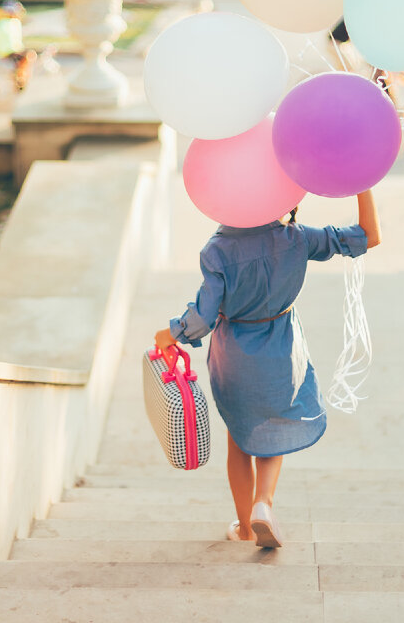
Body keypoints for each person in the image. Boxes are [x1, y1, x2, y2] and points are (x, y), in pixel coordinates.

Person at [154, 190, 382, 548]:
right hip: (281, 348)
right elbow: (369, 236)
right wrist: (362, 186)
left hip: (234, 356)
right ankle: (264, 503)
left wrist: (170, 333)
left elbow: (202, 318)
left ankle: (246, 527)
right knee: (273, 427)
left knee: (240, 439)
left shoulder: (217, 250)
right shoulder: (298, 238)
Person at [0, 0, 37, 91]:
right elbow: (11, 40)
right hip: (8, 50)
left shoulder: (7, 22)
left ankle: (19, 74)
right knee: (29, 56)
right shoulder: (9, 23)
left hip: (8, 50)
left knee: (27, 57)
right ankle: (20, 77)